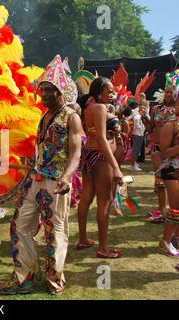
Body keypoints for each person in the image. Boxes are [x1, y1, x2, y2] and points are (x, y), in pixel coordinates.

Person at [0, 55, 82, 295]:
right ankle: (24, 275)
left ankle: (55, 278)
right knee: (19, 225)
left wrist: (67, 177)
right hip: (35, 180)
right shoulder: (44, 117)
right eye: (42, 90)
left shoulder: (72, 118)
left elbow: (76, 153)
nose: (43, 94)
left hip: (56, 183)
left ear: (60, 92)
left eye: (48, 90)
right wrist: (30, 161)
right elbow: (43, 148)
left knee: (55, 230)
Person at [77, 77, 124, 259]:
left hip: (88, 154)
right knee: (105, 201)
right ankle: (104, 249)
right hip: (101, 158)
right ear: (99, 92)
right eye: (110, 91)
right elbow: (102, 139)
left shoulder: (88, 107)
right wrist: (115, 166)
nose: (112, 95)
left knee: (86, 196)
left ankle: (83, 239)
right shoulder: (100, 108)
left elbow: (95, 135)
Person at [147, 86, 178, 223]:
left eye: (171, 92)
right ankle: (161, 210)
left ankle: (170, 211)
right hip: (157, 149)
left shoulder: (177, 111)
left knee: (171, 182)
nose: (168, 94)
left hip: (173, 151)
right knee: (159, 182)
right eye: (166, 92)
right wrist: (144, 118)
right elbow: (150, 128)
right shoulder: (156, 109)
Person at [158, 118, 179, 259]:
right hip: (172, 170)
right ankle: (165, 242)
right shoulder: (170, 126)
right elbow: (164, 153)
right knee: (176, 207)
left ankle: (176, 238)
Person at [130, 105, 149, 171]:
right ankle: (133, 165)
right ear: (140, 110)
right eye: (143, 109)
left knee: (137, 150)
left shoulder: (141, 117)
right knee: (136, 150)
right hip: (138, 135)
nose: (144, 110)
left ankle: (134, 163)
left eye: (145, 109)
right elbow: (137, 126)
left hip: (139, 134)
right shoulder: (137, 117)